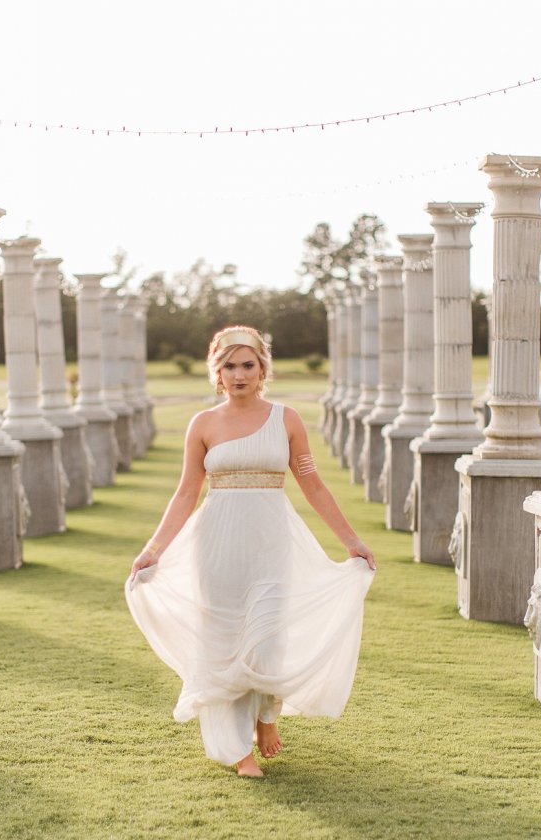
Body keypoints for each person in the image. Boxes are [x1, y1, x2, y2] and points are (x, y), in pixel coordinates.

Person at [125, 325, 376, 778]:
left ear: (263, 370)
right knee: (222, 643)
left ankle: (266, 716)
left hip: (271, 540)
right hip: (216, 544)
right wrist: (153, 548)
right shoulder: (203, 424)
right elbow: (186, 493)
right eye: (229, 366)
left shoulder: (287, 419)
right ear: (216, 373)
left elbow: (312, 483)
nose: (239, 374)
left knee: (267, 639)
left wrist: (352, 541)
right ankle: (237, 750)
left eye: (248, 365)